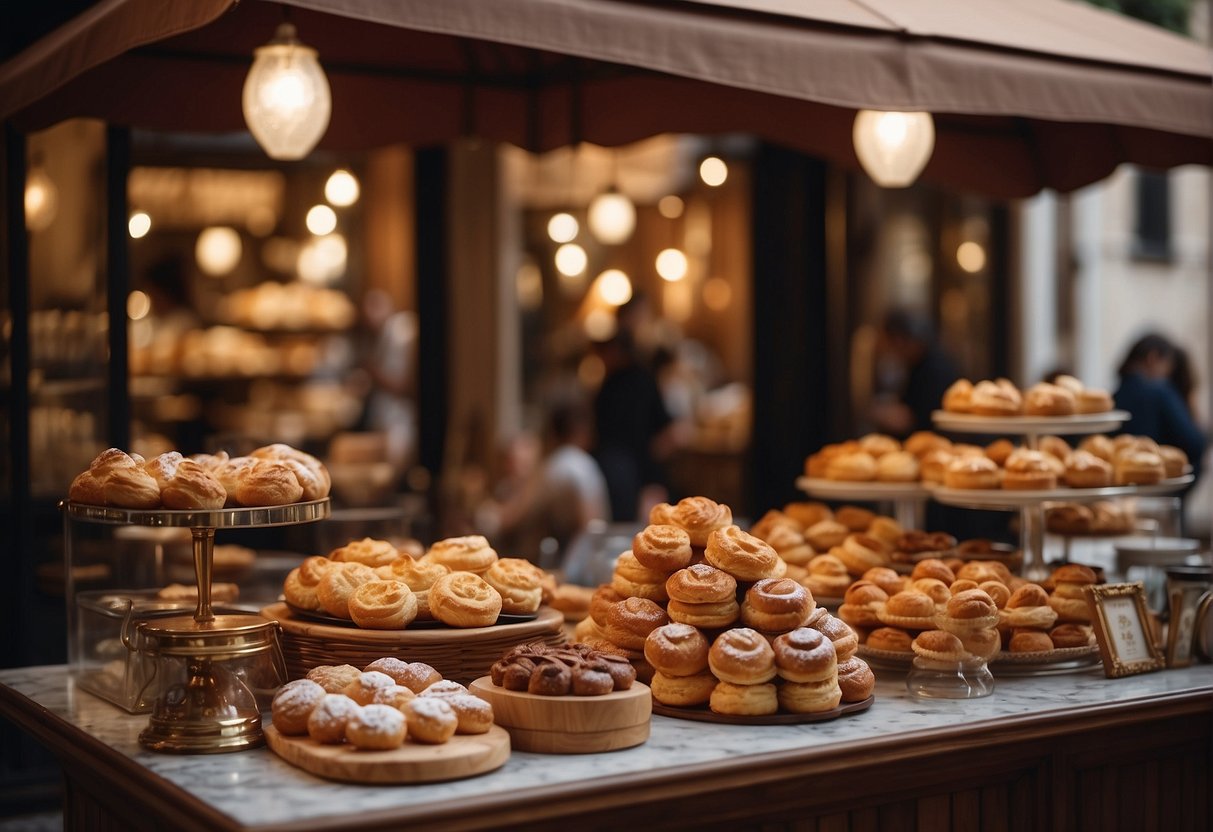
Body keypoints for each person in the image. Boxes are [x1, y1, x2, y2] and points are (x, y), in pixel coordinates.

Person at [478, 398, 610, 567]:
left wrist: (486, 518)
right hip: (598, 554)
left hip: (576, 560)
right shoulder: (586, 462)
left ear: (552, 434)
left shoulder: (557, 466)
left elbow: (515, 515)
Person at [592, 331, 674, 521]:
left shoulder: (610, 385)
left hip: (619, 467)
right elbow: (665, 427)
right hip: (642, 466)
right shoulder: (644, 379)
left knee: (622, 524)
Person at [1113, 333, 1205, 480]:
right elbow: (1195, 444)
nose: (1167, 375)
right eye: (1167, 367)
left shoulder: (1114, 397)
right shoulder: (1159, 392)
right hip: (1161, 490)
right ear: (1153, 358)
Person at [870, 308, 961, 437]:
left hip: (936, 443)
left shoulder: (934, 369)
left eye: (888, 343)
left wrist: (877, 412)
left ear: (899, 340)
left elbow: (916, 419)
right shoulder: (917, 363)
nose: (888, 351)